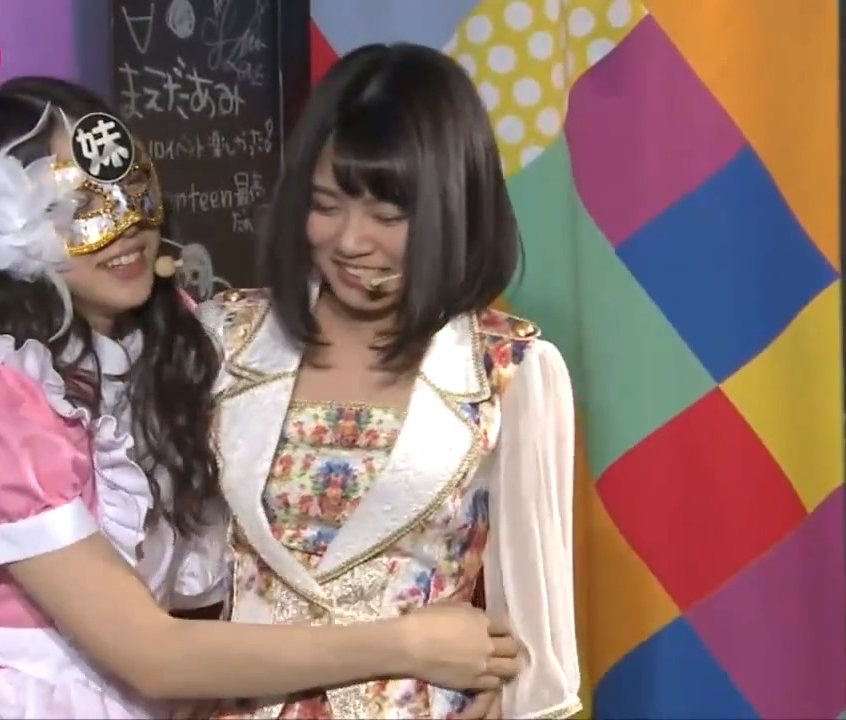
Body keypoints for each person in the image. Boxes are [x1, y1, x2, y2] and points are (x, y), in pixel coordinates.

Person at [0, 77, 521, 720]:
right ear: (2, 225)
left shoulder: (184, 342)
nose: (124, 227)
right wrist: (411, 648)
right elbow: (151, 654)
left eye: (131, 188)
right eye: (78, 206)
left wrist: (480, 674)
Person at [201, 44, 581, 719]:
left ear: (454, 211)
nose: (351, 241)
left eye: (388, 216)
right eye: (326, 205)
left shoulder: (511, 372)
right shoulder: (220, 341)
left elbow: (538, 667)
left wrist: (509, 696)